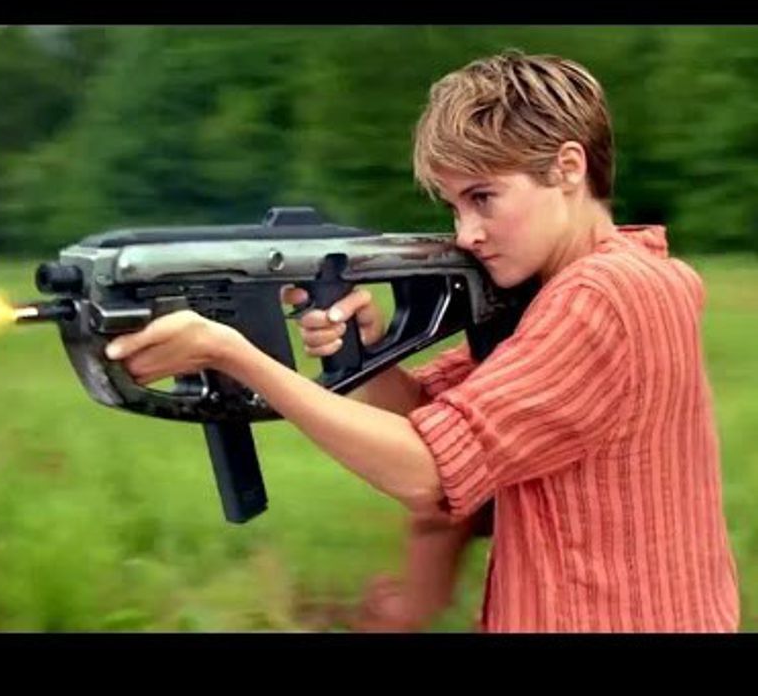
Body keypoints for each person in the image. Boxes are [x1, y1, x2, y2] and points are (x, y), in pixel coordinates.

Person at [102, 50, 740, 632]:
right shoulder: (626, 280)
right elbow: (441, 424)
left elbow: (429, 472)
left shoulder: (600, 296)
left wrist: (230, 353)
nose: (466, 234)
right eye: (454, 207)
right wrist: (368, 353)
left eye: (484, 198)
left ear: (568, 168)